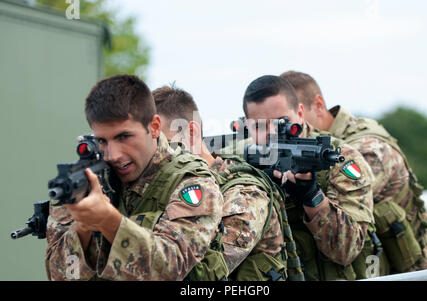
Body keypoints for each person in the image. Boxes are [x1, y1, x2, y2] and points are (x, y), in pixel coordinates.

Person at [45, 74, 224, 280]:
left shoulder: (192, 182)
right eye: (102, 141)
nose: (113, 155)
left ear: (155, 127)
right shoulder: (83, 183)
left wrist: (107, 220)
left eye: (124, 137)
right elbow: (61, 275)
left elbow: (172, 267)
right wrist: (83, 227)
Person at [280, 70, 427, 272]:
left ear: (318, 106)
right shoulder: (321, 143)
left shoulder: (368, 148)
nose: (289, 130)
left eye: (291, 118)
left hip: (410, 270)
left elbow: (342, 203)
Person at [153, 85, 304, 281]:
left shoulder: (244, 194)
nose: (156, 155)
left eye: (163, 144)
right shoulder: (169, 186)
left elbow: (203, 275)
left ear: (191, 132)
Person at [241, 75, 377, 280]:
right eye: (260, 126)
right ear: (247, 125)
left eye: (281, 123)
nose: (272, 133)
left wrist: (311, 196)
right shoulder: (241, 158)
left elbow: (347, 251)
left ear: (300, 113)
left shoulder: (341, 160)